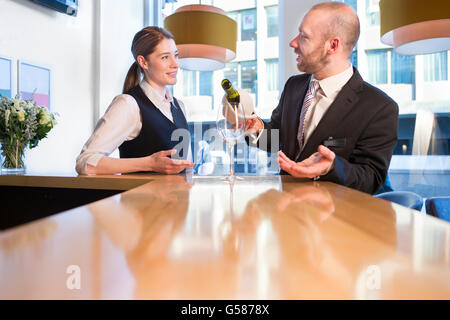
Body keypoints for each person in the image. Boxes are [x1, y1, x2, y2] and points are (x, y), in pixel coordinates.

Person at [246, 2, 398, 194]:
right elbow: (279, 142)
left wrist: (331, 167)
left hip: (335, 217)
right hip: (285, 209)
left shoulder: (379, 107)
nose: (293, 43)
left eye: (304, 37)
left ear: (332, 45)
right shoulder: (294, 86)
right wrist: (255, 129)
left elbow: (371, 178)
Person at [76, 27, 194, 175]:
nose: (175, 64)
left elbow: (188, 169)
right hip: (141, 198)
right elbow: (85, 163)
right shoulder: (128, 104)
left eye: (176, 55)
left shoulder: (179, 106)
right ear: (143, 62)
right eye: (165, 57)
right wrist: (150, 164)